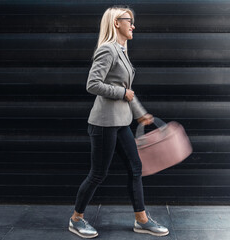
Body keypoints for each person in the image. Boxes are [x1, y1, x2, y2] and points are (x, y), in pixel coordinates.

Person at [68, 5, 169, 239]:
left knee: (136, 168)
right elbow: (92, 84)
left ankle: (141, 220)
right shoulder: (108, 50)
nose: (133, 25)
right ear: (116, 23)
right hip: (104, 124)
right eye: (129, 20)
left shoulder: (122, 50)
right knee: (98, 174)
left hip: (122, 122)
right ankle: (76, 219)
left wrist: (140, 113)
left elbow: (127, 90)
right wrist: (122, 94)